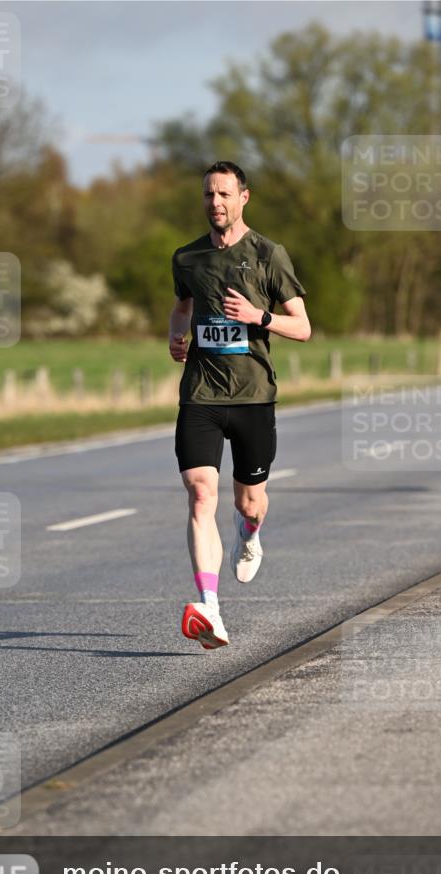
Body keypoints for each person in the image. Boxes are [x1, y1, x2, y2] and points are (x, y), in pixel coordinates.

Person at [168, 161, 311, 650]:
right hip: (201, 394)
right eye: (209, 194)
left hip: (253, 396)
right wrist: (175, 334)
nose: (216, 203)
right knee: (199, 493)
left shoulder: (269, 255)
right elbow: (183, 307)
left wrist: (259, 316)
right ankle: (210, 608)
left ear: (243, 197)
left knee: (248, 501)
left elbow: (303, 327)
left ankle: (248, 533)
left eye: (225, 194)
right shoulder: (187, 258)